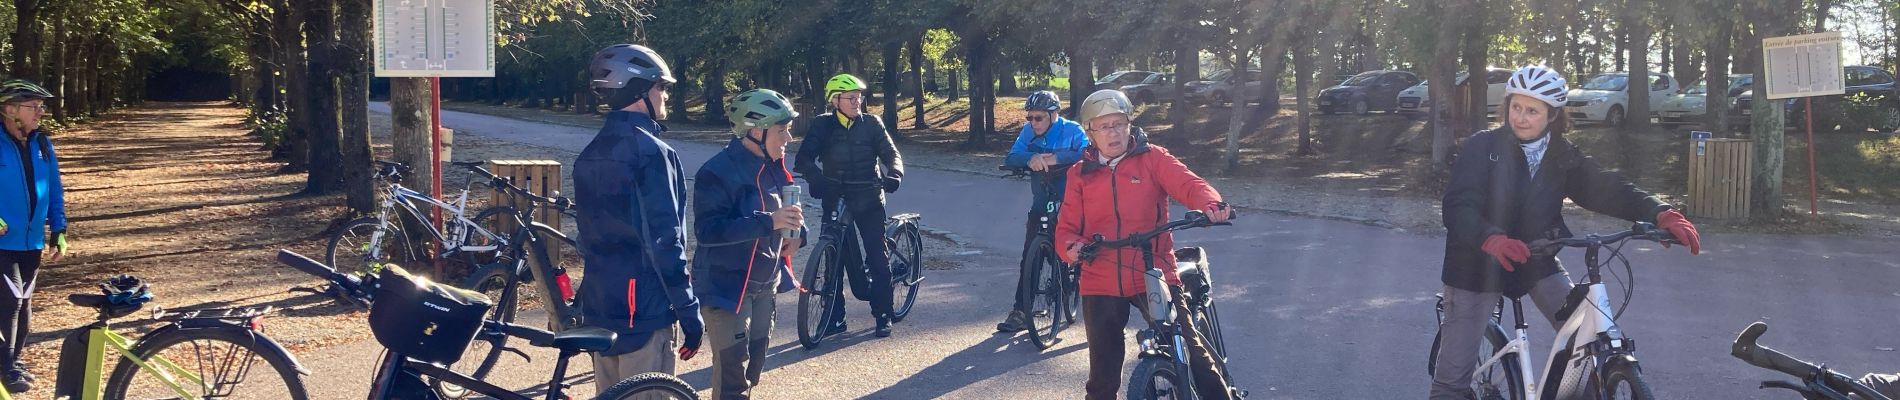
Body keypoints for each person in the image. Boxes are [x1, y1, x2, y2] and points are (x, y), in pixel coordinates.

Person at [1429, 65, 1704, 400]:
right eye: (1516, 107)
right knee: (1452, 380)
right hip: (1475, 264)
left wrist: (1659, 212)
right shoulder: (1482, 147)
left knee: (1584, 339)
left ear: (1552, 115)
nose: (1521, 117)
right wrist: (1491, 237)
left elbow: (1604, 187)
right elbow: (1458, 205)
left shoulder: (1560, 153)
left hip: (1536, 259)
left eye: (1532, 110)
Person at [1054, 89, 1236, 400]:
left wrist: (1212, 204)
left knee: (1189, 351)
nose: (1114, 132)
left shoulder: (1153, 158)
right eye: (1104, 126)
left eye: (1120, 123)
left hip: (1153, 272)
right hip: (1101, 276)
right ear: (1090, 132)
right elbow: (1067, 229)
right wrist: (1073, 248)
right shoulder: (1079, 174)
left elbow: (1189, 184)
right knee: (1102, 375)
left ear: (1129, 124)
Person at [573, 44, 703, 393]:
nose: (665, 96)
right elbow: (664, 240)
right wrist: (689, 311)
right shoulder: (653, 153)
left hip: (601, 306)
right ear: (638, 91)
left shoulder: (590, 152)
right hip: (644, 311)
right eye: (661, 87)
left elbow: (585, 237)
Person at [692, 89, 805, 399]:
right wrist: (769, 222)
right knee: (733, 380)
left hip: (765, 284)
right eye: (782, 131)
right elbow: (707, 232)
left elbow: (790, 215)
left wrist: (799, 235)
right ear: (756, 131)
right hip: (727, 289)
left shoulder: (775, 168)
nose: (789, 138)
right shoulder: (716, 172)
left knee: (753, 371)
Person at [793, 73, 904, 338]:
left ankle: (883, 314)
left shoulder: (872, 124)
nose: (857, 102)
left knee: (878, 257)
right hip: (836, 196)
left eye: (859, 97)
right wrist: (815, 177)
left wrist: (894, 174)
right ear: (835, 101)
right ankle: (834, 317)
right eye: (851, 98)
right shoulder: (822, 125)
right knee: (833, 257)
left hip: (868, 196)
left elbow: (891, 154)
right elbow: (803, 159)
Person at [995, 90, 1088, 333]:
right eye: (1030, 118)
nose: (1033, 123)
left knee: (1078, 248)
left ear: (1054, 115)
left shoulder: (1072, 130)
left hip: (1070, 199)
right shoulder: (1028, 132)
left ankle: (1083, 291)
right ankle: (1021, 311)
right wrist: (1031, 157)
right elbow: (1013, 155)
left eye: (1039, 118)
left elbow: (1087, 153)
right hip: (1042, 198)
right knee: (1030, 254)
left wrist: (1058, 158)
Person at [0, 79, 62, 394]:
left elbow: (54, 190)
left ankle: (14, 360)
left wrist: (59, 229)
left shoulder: (42, 144)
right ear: (10, 110)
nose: (40, 112)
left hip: (32, 241)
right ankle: (6, 367)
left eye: (41, 106)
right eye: (33, 106)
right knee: (10, 300)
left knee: (24, 303)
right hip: (2, 243)